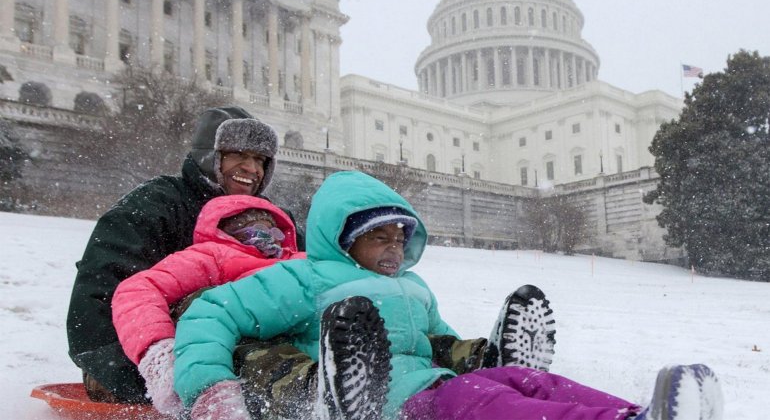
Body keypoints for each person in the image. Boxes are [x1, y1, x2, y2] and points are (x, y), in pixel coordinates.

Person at [173, 171, 723, 420]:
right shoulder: (307, 278)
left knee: (518, 381)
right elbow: (211, 312)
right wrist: (208, 388)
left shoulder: (412, 287)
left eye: (400, 238)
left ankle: (642, 411)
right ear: (342, 239)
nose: (393, 249)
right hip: (377, 400)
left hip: (429, 380)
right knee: (484, 403)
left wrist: (473, 356)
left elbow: (435, 340)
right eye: (377, 238)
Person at [66, 107, 305, 403]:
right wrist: (122, 367)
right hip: (146, 356)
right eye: (239, 155)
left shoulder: (272, 222)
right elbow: (103, 281)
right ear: (211, 155)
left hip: (252, 347)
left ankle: (307, 382)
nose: (251, 168)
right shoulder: (159, 203)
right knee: (211, 301)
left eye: (259, 160)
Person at [111, 194, 305, 415]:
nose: (270, 239)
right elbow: (139, 289)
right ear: (230, 233)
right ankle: (306, 390)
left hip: (305, 329)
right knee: (264, 359)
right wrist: (159, 351)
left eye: (275, 232)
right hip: (244, 340)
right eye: (258, 230)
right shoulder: (214, 255)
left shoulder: (298, 260)